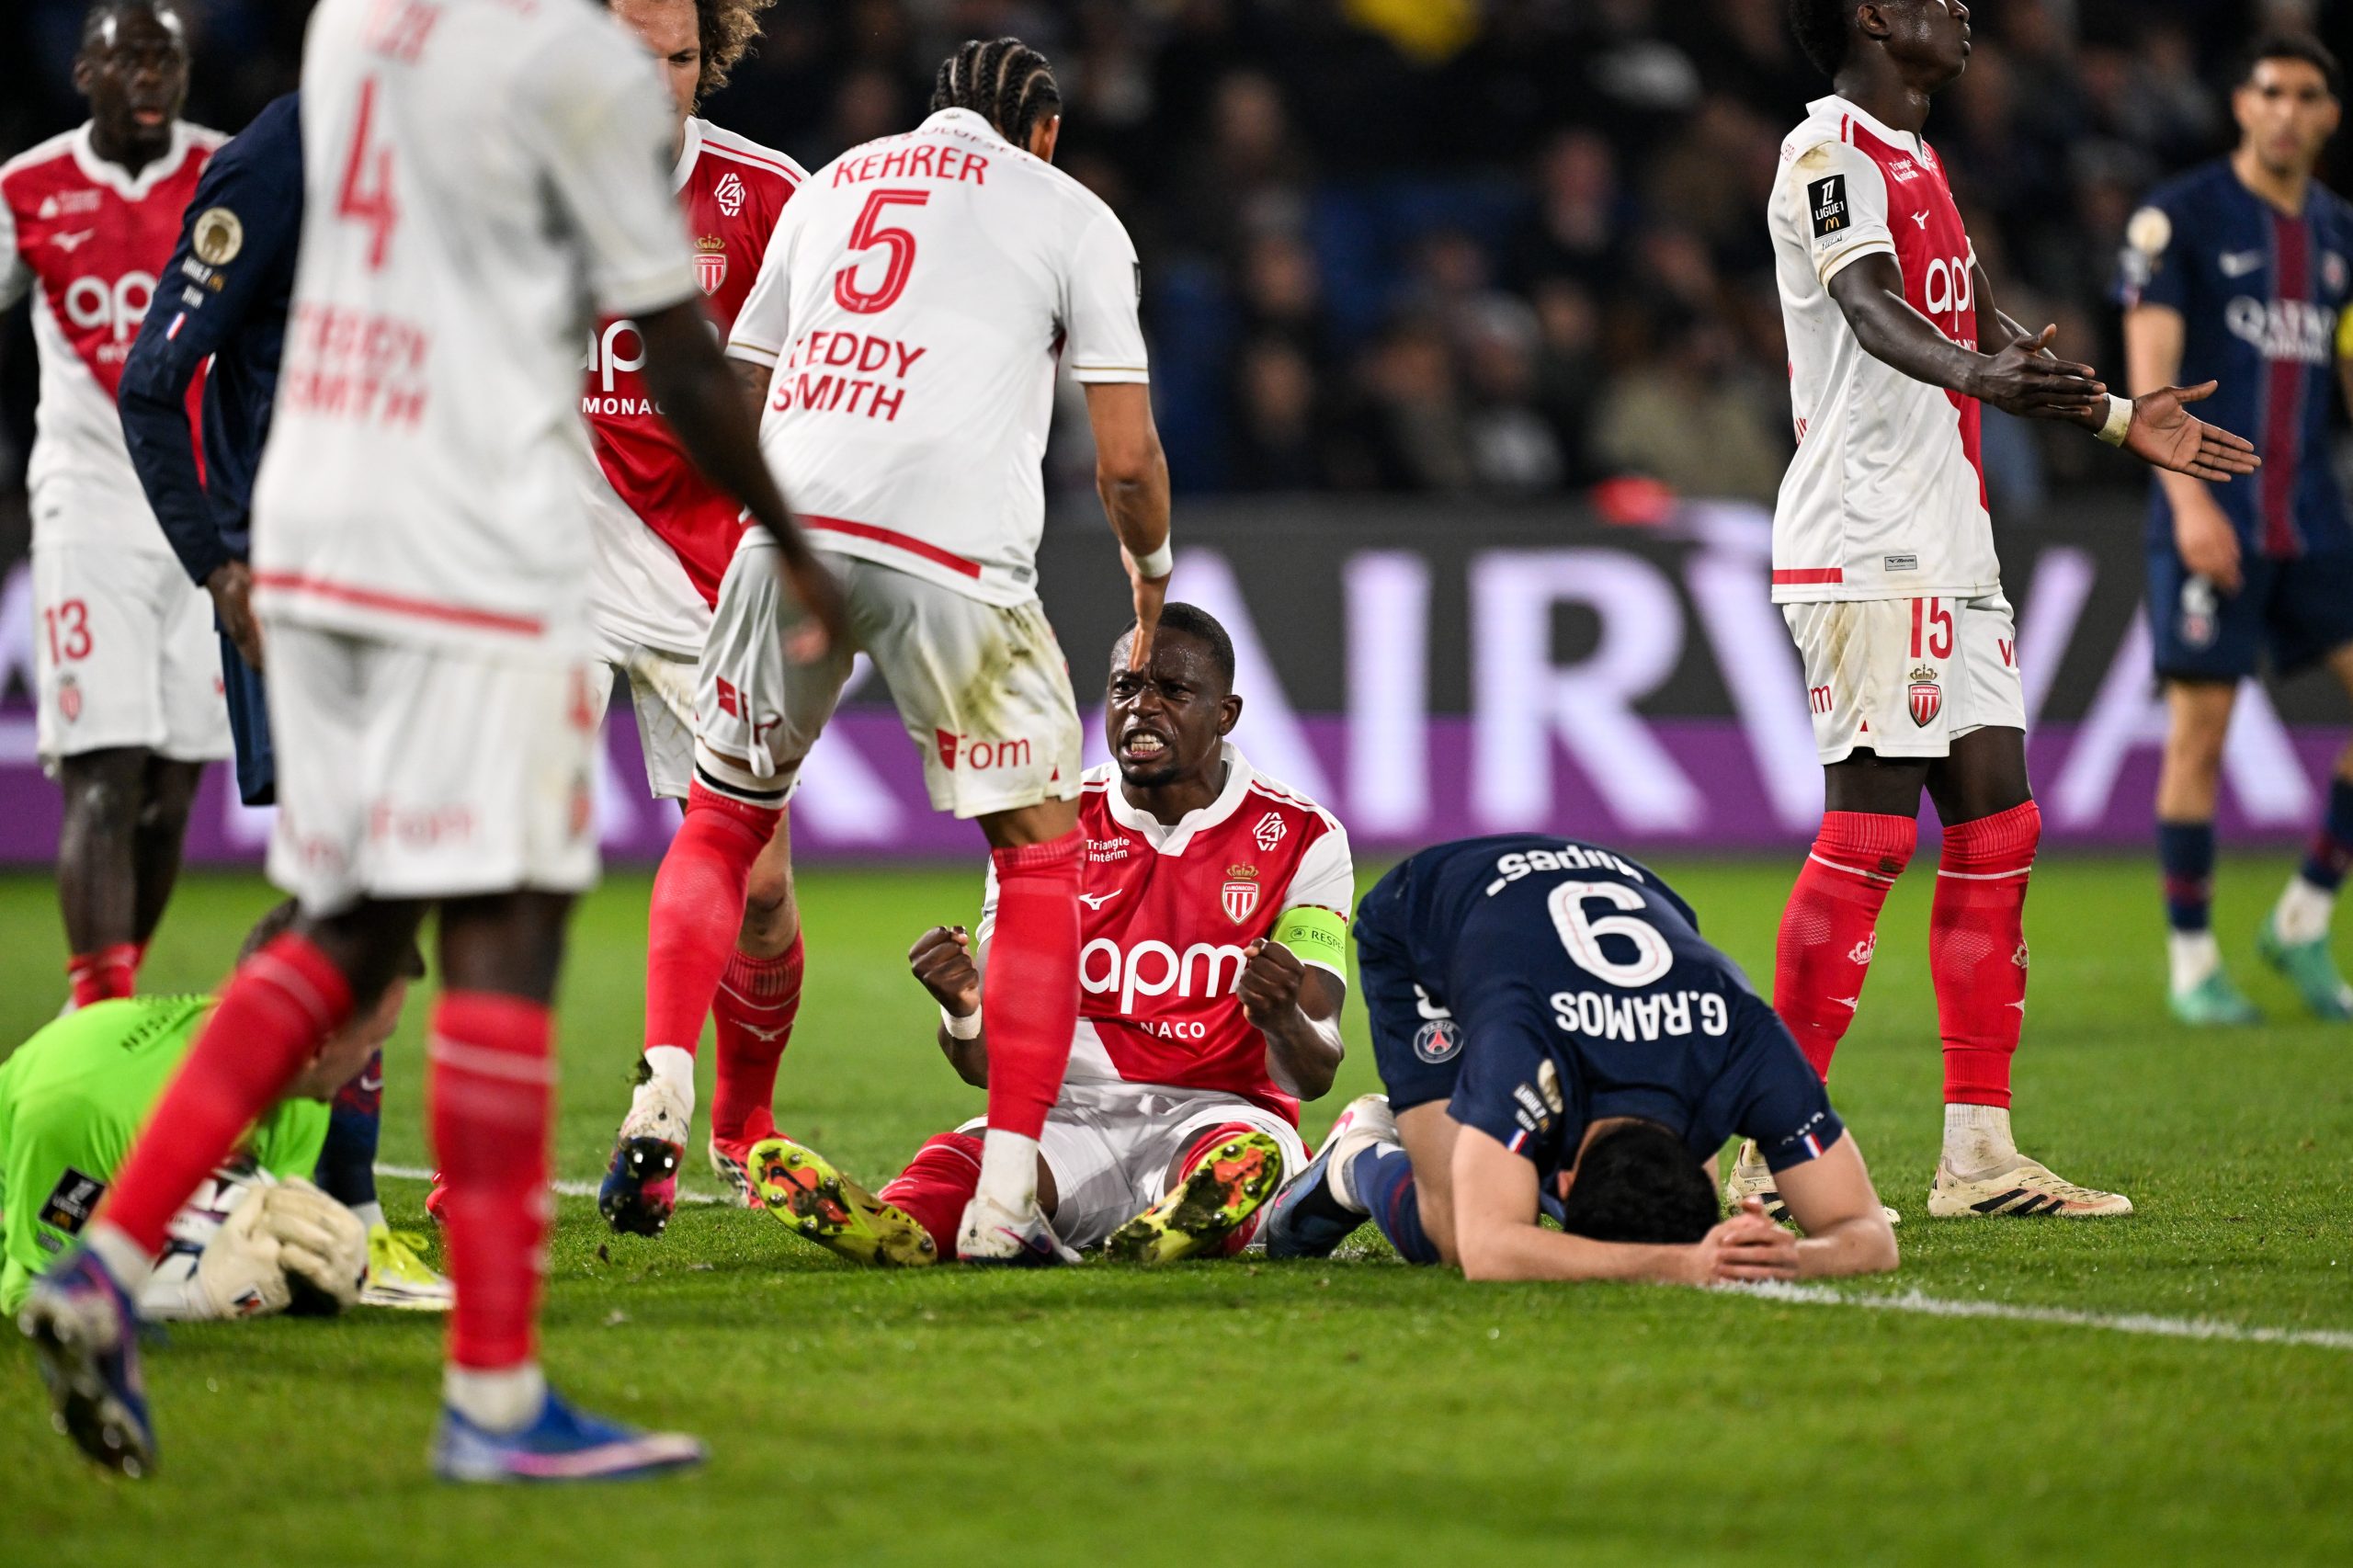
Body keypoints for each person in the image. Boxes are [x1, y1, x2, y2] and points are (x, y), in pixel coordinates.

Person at [20, 0, 843, 1484]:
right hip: (468, 533)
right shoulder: (575, 73)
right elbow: (678, 361)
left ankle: (106, 1261)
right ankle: (496, 1395)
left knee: (350, 922)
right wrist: (802, 547)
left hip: (310, 529)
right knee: (507, 930)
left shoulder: (358, 30)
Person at [601, 37, 1175, 1267]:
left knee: (721, 820)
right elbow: (1124, 461)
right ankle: (1005, 1195)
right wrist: (1151, 571)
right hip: (956, 560)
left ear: (930, 117)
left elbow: (733, 395)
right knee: (1035, 855)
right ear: (1045, 135)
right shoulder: (1073, 212)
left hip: (788, 531)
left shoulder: (832, 187)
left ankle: (660, 1079)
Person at [1761, 0, 2260, 1220]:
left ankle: (1978, 1156)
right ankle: (1770, 1160)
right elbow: (1874, 308)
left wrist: (2109, 417)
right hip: (1870, 543)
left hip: (1950, 543)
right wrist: (1981, 372)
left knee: (2000, 831)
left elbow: (1976, 326)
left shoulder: (1922, 156)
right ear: (1875, 17)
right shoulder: (1826, 148)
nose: (1963, 9)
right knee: (1871, 838)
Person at [752, 606, 1352, 1266]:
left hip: (1219, 1113)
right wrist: (962, 1012)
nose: (1141, 707)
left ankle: (1194, 1216)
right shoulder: (1046, 823)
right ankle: (899, 1225)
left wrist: (1283, 1017)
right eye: (1125, 687)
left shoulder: (1303, 838)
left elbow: (1314, 1071)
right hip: (1068, 1114)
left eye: (1173, 691)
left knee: (1239, 1161)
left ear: (1226, 713)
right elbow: (989, 1066)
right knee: (977, 1162)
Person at [113, 91, 438, 1306]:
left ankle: (247, 1199)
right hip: (304, 587)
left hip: (425, 577)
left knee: (372, 899)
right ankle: (302, 1205)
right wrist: (219, 564)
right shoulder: (276, 163)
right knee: (354, 899)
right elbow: (156, 382)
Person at [1257, 835, 1899, 1285]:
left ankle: (1510, 1167)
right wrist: (1681, 1265)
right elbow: (1486, 1250)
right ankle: (1356, 1154)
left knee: (1662, 1209)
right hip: (1427, 906)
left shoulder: (1747, 1040)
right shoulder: (1522, 1045)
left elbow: (1868, 1232)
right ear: (1561, 1179)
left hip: (1631, 889)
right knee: (1449, 1231)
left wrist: (1785, 1258)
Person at [580, 0, 813, 1208]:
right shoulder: (520, 175)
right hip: (549, 564)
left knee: (761, 893)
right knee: (498, 876)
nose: (659, 81)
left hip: (709, 584)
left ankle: (742, 1116)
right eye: (634, 55)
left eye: (680, 58)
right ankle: (481, 1162)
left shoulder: (773, 199)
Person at [0, 0, 231, 1009]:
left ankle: (100, 1004)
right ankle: (104, 1019)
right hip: (87, 502)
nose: (148, 79)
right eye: (127, 60)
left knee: (172, 784)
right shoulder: (27, 188)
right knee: (105, 768)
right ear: (84, 73)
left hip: (206, 520)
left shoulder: (229, 176)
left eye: (165, 62)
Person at [2120, 33, 2353, 1026]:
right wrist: (2186, 502)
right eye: (2270, 92)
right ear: (2239, 105)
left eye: (2307, 95)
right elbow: (2150, 374)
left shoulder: (2341, 232)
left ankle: (2302, 914)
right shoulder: (2179, 219)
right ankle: (2189, 961)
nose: (2287, 111)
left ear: (2329, 115)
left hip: (2310, 516)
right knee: (2200, 734)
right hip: (2210, 511)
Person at [1, 903, 423, 1324]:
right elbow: (37, 1297)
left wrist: (297, 1281)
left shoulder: (302, 1101)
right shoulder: (85, 1108)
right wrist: (194, 1298)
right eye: (373, 1043)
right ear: (317, 1049)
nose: (370, 1063)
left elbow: (252, 1241)